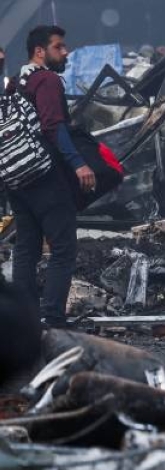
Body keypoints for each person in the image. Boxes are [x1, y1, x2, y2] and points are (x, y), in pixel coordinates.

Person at [7, 25, 93, 327]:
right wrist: (78, 163)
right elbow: (53, 125)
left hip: (16, 176)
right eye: (59, 47)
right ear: (39, 51)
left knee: (26, 247)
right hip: (45, 175)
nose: (65, 52)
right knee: (63, 248)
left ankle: (24, 319)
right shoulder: (47, 80)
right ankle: (53, 318)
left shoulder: (16, 82)